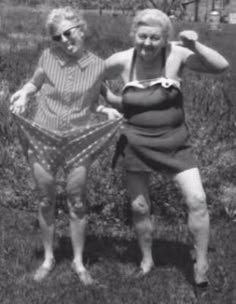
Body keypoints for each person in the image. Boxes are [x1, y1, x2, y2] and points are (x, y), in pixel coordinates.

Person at [103, 8, 229, 288]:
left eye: (155, 38)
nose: (147, 43)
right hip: (135, 143)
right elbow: (88, 77)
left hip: (175, 143)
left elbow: (221, 66)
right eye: (142, 36)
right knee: (139, 207)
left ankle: (201, 263)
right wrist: (107, 102)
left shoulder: (177, 54)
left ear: (165, 39)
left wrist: (194, 45)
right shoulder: (121, 60)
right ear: (134, 34)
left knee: (197, 200)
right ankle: (146, 260)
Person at [10, 6, 121, 285]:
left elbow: (95, 99)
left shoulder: (98, 65)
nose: (65, 40)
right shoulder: (47, 57)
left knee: (77, 201)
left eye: (69, 33)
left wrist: (105, 109)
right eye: (57, 37)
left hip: (77, 142)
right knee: (46, 199)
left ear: (82, 29)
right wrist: (24, 93)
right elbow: (34, 84)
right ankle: (48, 258)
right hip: (43, 135)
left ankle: (78, 261)